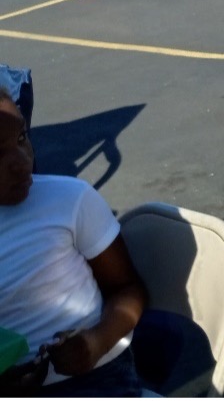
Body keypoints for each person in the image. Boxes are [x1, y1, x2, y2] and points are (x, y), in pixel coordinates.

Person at [0, 86, 148, 397]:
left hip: (94, 379)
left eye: (22, 138)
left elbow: (128, 290)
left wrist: (96, 342)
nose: (21, 161)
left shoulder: (69, 199)